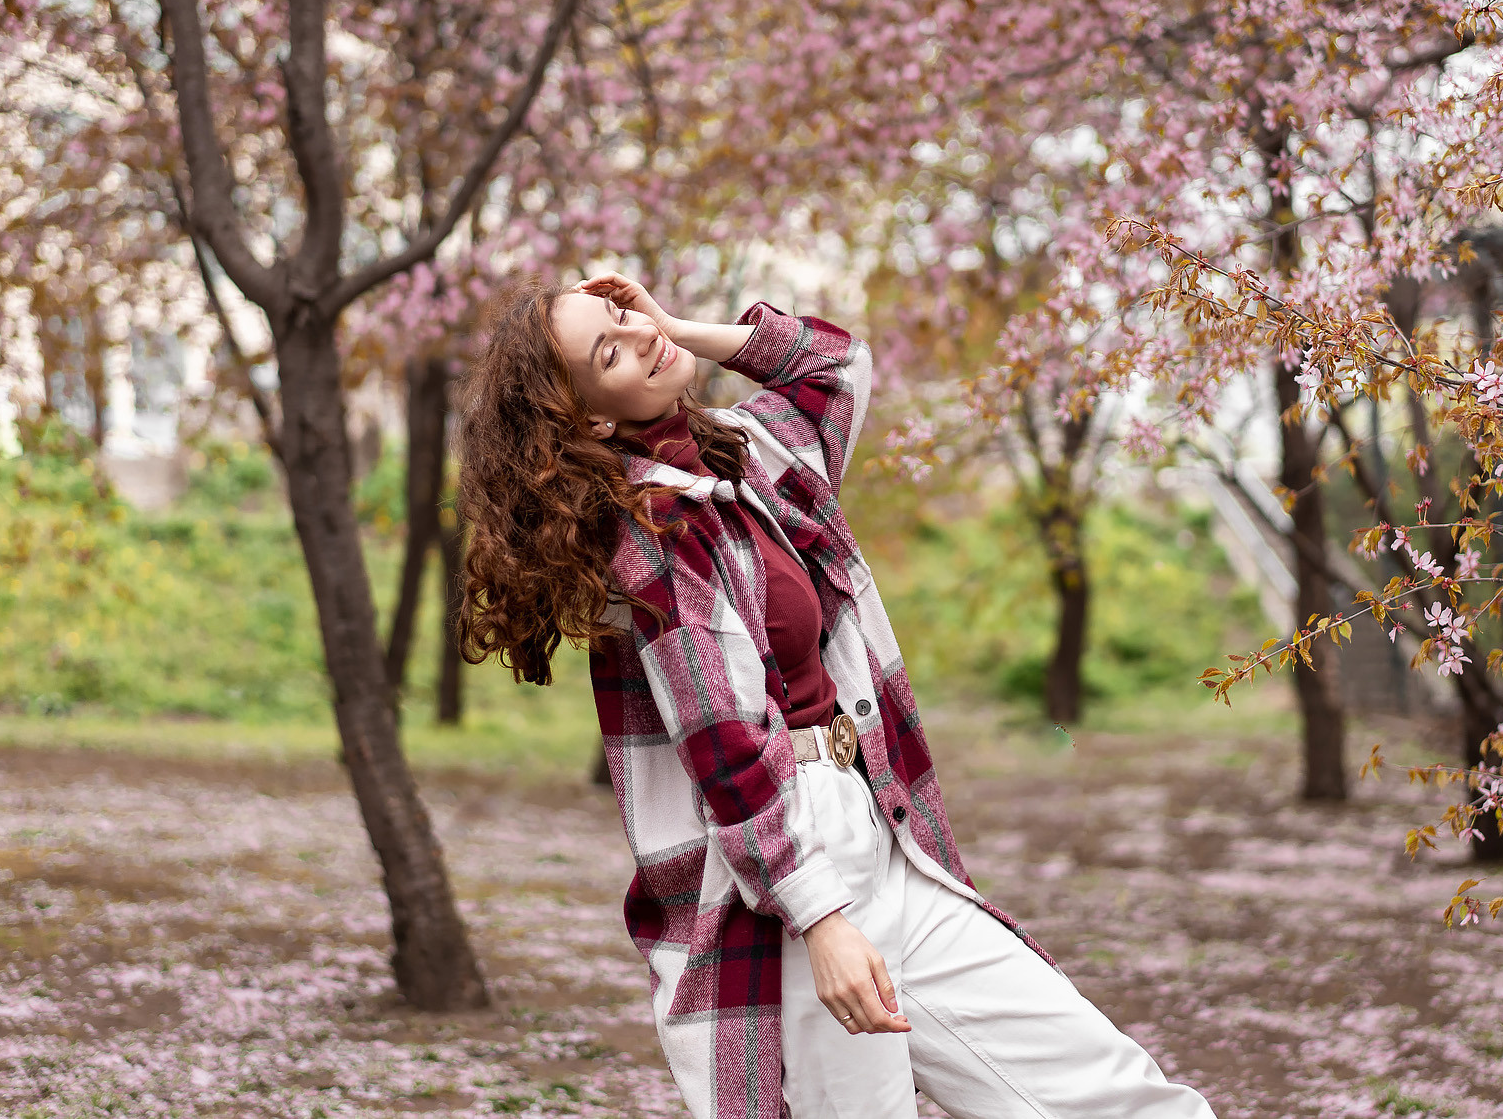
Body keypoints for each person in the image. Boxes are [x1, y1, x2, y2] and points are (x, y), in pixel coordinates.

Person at [453, 273, 1218, 1119]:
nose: (639, 338)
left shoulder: (748, 455)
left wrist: (682, 326)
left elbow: (838, 367)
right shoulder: (656, 535)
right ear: (593, 415)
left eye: (625, 314)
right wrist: (821, 922)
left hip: (871, 824)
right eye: (610, 349)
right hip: (789, 871)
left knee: (1116, 1093)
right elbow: (728, 750)